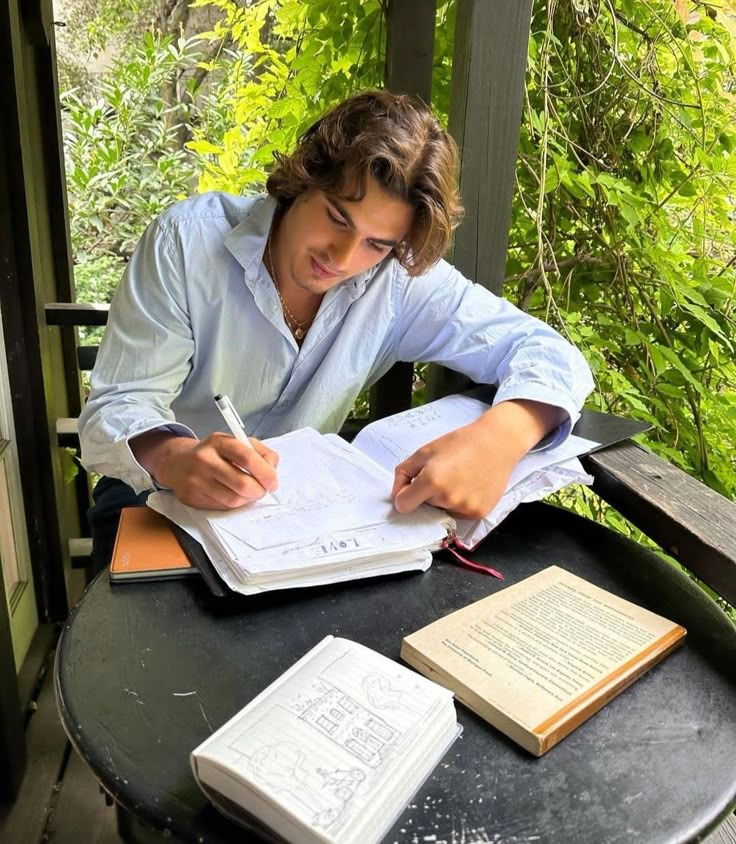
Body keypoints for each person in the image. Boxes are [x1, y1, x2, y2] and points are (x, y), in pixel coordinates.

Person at [79, 89, 594, 571]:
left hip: (301, 524)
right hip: (156, 499)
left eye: (377, 243)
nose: (343, 258)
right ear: (303, 179)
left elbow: (548, 353)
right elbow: (117, 405)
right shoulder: (187, 243)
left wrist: (500, 439)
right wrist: (174, 457)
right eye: (337, 218)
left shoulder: (397, 282)